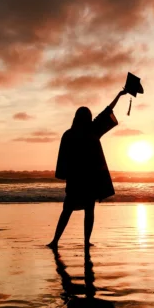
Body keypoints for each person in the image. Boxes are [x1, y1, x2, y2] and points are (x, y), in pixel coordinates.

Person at [46, 89, 127, 249]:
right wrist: (119, 95)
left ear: (76, 118)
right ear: (88, 118)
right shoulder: (92, 131)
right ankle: (85, 241)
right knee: (88, 210)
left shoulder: (69, 134)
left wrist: (64, 174)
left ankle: (55, 241)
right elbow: (106, 113)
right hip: (89, 180)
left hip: (75, 180)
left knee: (67, 210)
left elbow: (63, 158)